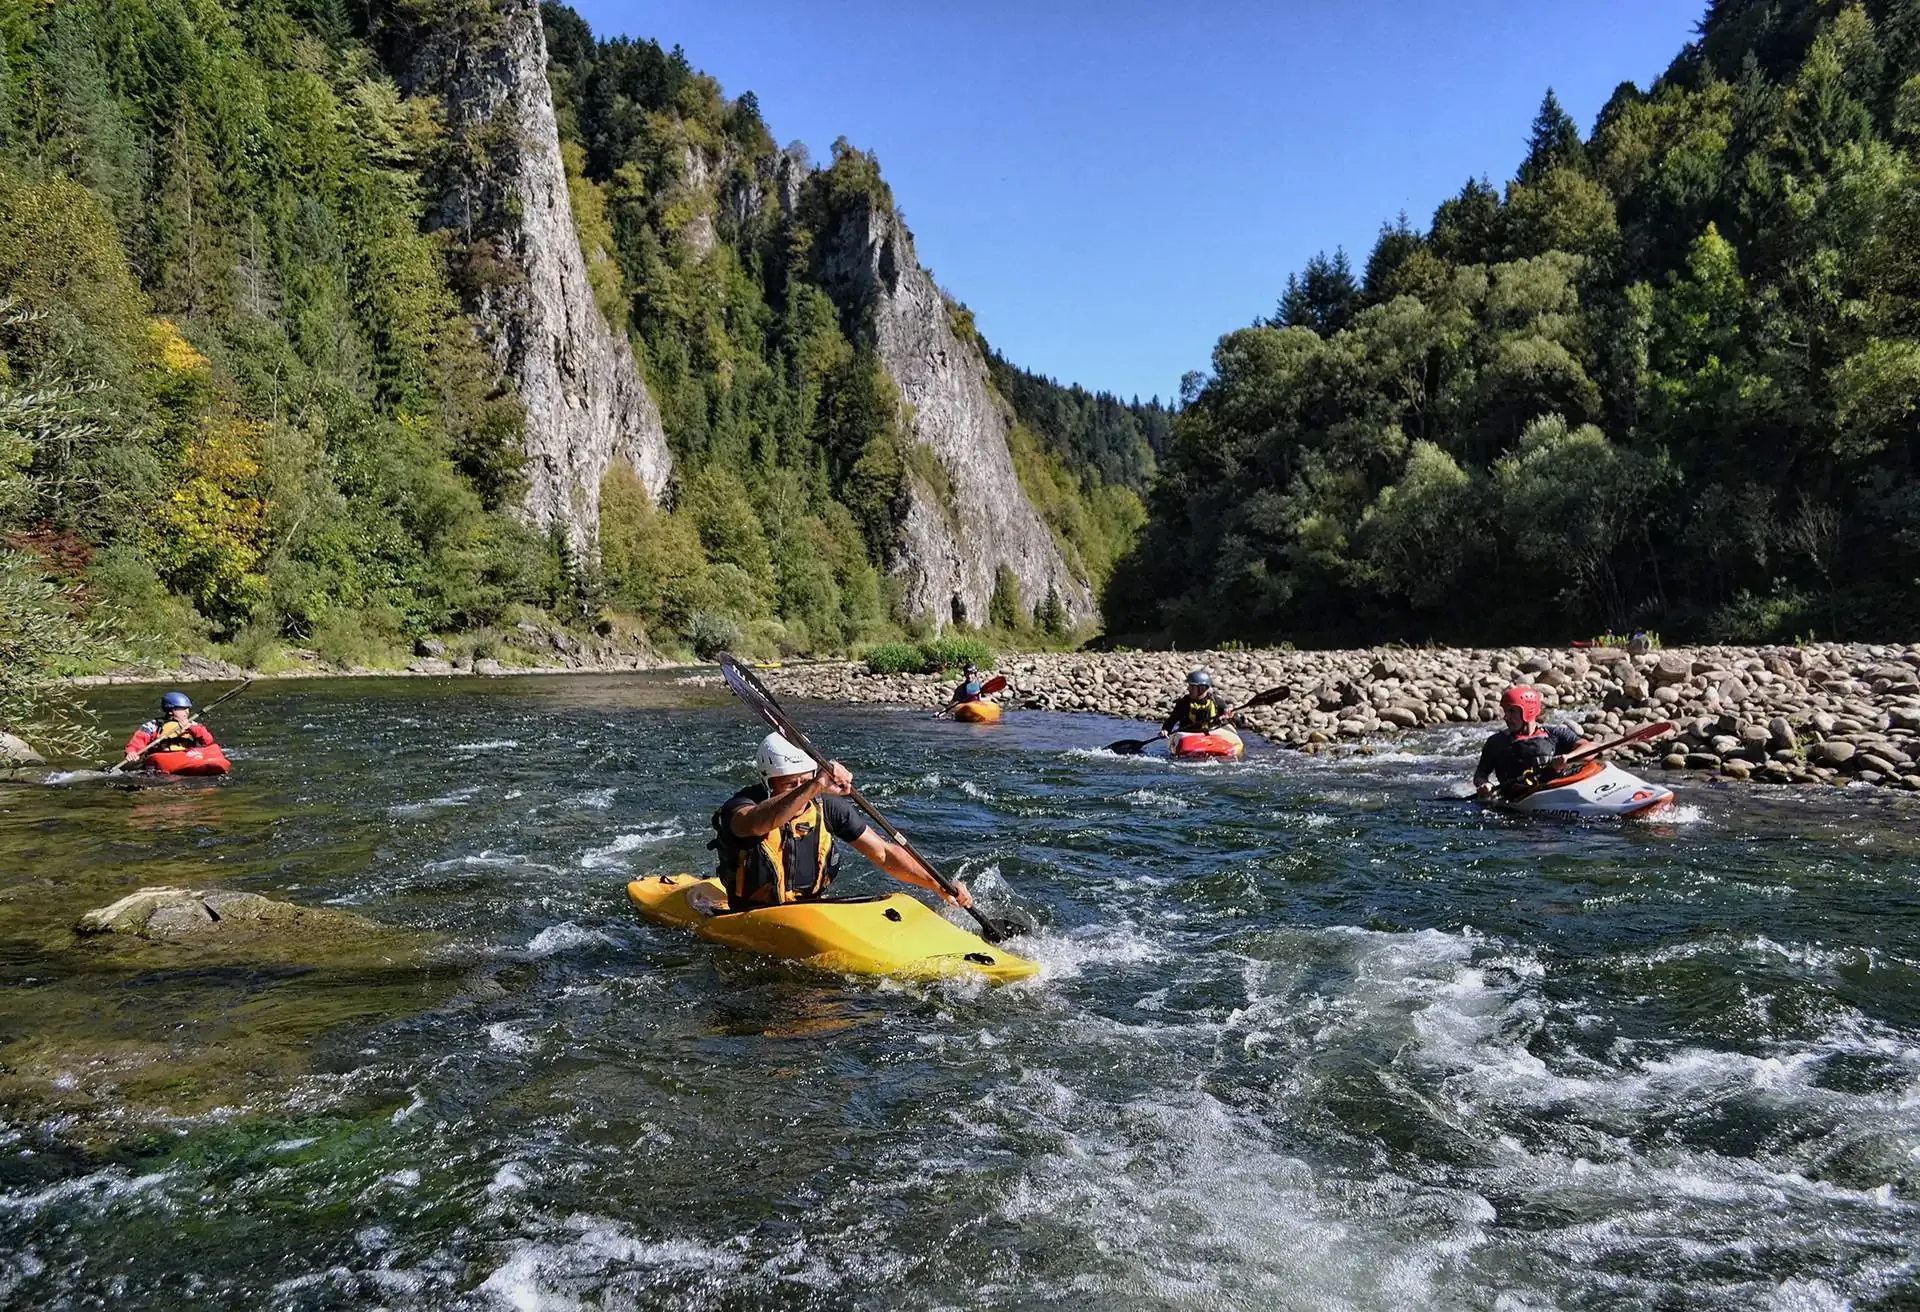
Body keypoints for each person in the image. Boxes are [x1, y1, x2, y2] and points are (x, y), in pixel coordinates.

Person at [711, 732, 973, 912]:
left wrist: (937, 884)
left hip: (811, 910)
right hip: (750, 914)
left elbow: (884, 854)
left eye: (806, 780)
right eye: (790, 784)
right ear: (768, 782)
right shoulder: (741, 807)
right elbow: (756, 823)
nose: (801, 790)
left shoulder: (828, 808)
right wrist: (814, 786)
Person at [1473, 686, 1593, 795]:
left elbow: (1590, 749)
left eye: (1512, 711)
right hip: (1518, 800)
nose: (1506, 717)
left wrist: (1568, 757)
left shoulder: (1555, 734)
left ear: (1528, 711)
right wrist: (1484, 784)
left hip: (1554, 792)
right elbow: (1480, 775)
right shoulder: (1496, 742)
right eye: (1506, 712)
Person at [122, 691, 217, 766]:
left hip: (187, 758)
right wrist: (132, 752)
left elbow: (208, 742)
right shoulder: (152, 726)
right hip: (162, 760)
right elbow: (136, 743)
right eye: (182, 709)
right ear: (171, 711)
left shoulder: (194, 725)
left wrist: (192, 728)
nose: (187, 712)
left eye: (187, 709)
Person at [1158, 669, 1232, 741]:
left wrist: (1227, 716)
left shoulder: (1217, 702)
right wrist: (1165, 730)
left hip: (1212, 734)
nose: (1188, 689)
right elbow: (1171, 720)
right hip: (1188, 735)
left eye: (1191, 686)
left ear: (1202, 689)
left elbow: (1232, 719)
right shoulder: (1184, 703)